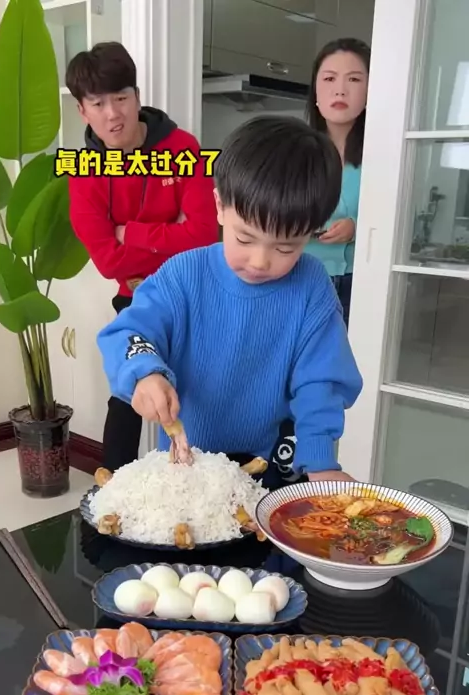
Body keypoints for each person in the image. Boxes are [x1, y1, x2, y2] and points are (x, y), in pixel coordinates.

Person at [96, 115, 363, 487]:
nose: (260, 261)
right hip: (184, 471)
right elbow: (128, 332)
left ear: (311, 233)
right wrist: (144, 372)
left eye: (286, 247)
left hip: (271, 472)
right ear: (220, 206)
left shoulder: (312, 286)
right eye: (245, 238)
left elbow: (321, 381)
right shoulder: (183, 274)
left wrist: (320, 461)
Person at [66, 42, 219, 472]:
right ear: (83, 111)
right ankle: (112, 490)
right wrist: (172, 234)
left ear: (136, 96)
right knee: (128, 392)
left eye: (121, 97)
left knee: (200, 392)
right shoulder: (85, 173)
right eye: (98, 103)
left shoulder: (182, 149)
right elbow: (109, 263)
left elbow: (204, 236)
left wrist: (130, 232)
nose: (113, 113)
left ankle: (200, 481)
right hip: (134, 298)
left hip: (193, 292)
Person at [305, 37, 371, 327]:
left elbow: (406, 217)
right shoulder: (295, 150)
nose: (340, 90)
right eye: (329, 78)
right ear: (316, 90)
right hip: (302, 275)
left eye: (354, 79)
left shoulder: (388, 152)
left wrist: (357, 226)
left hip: (365, 280)